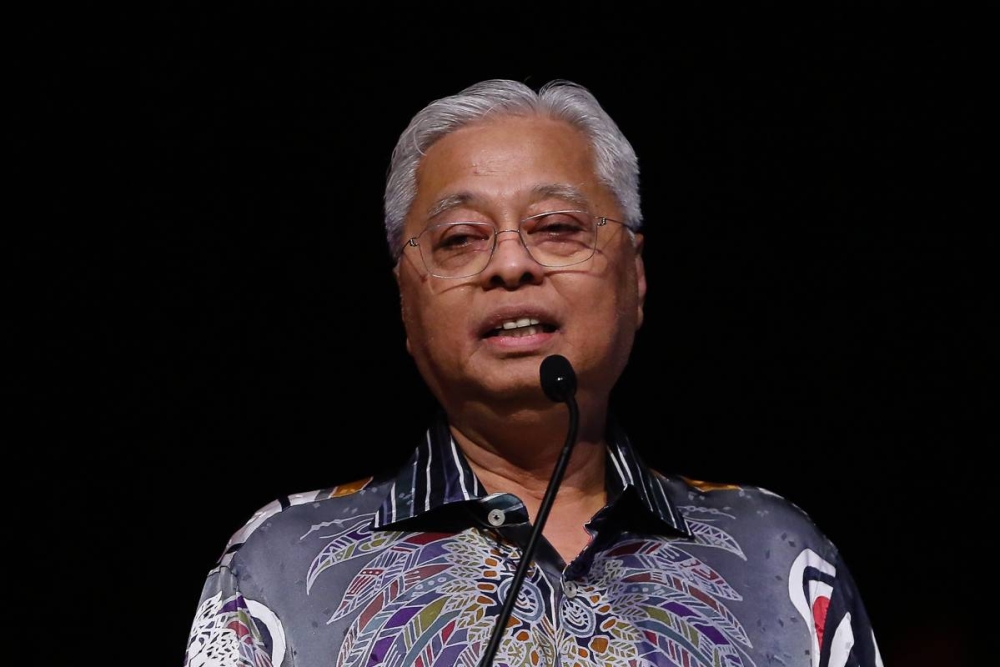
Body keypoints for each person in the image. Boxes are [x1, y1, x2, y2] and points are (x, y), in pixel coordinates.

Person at [182, 78, 883, 667]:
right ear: (406, 299)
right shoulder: (280, 564)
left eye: (555, 226)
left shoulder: (775, 554)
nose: (511, 264)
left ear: (635, 278)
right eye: (461, 238)